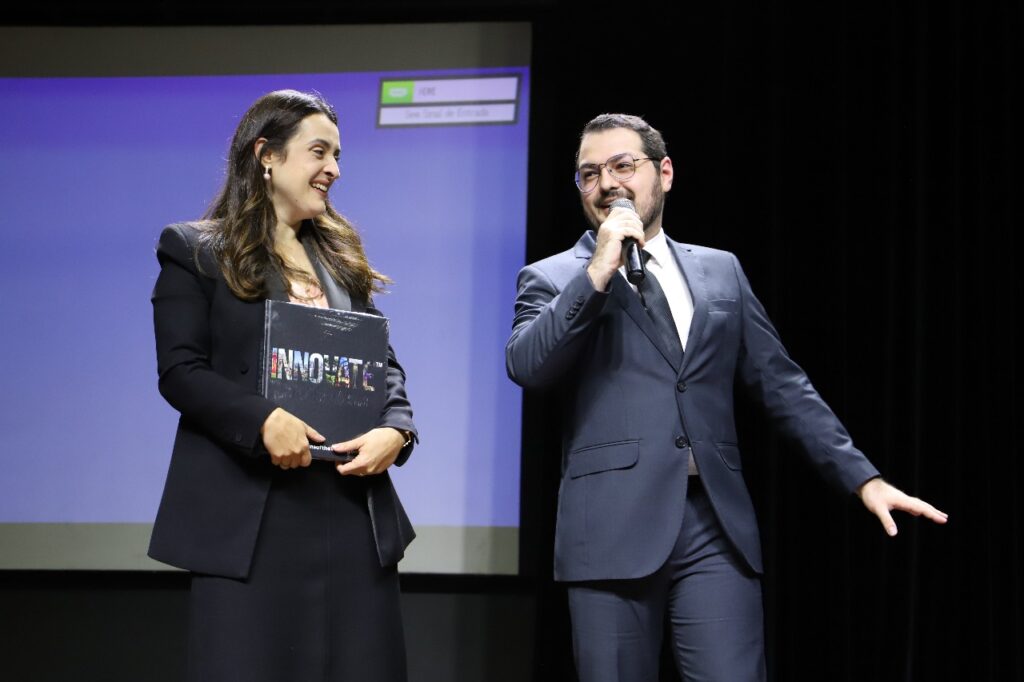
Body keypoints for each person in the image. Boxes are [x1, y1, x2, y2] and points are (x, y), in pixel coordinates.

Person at [505, 113, 947, 682]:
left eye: (623, 166)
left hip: (715, 524)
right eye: (589, 174)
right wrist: (596, 273)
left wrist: (863, 478)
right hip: (611, 529)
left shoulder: (721, 270)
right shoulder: (551, 276)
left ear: (664, 173)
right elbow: (528, 366)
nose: (607, 183)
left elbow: (781, 383)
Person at [149, 89, 417, 682]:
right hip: (252, 518)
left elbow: (383, 362)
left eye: (338, 155)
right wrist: (263, 420)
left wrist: (397, 430)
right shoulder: (195, 250)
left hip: (350, 511)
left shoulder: (341, 259)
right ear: (266, 155)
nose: (334, 169)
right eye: (319, 152)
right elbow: (181, 370)